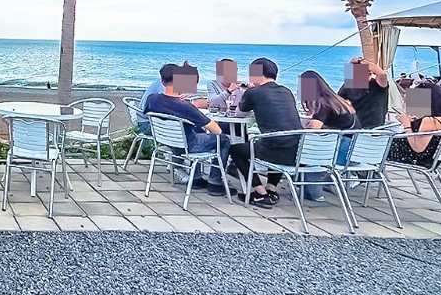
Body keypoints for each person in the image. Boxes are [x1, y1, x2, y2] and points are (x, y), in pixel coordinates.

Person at [142, 63, 231, 197]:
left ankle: (197, 178)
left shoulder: (152, 99)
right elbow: (217, 130)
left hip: (168, 142)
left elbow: (164, 107)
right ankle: (215, 182)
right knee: (224, 139)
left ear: (162, 81)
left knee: (197, 129)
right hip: (187, 145)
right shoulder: (185, 107)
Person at [227, 58, 303, 207]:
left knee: (236, 150)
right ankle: (271, 189)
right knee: (277, 138)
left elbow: (239, 114)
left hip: (274, 148)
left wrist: (248, 93)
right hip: (297, 150)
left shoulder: (253, 92)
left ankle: (260, 193)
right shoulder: (286, 91)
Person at [301, 69, 358, 202]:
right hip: (355, 151)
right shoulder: (337, 101)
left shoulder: (323, 104)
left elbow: (312, 130)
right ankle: (319, 184)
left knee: (304, 150)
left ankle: (311, 191)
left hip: (340, 154)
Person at [389, 82, 441, 168]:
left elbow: (417, 148)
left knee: (377, 145)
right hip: (430, 159)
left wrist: (406, 124)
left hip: (413, 157)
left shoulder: (430, 121)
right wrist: (415, 122)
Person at [338, 58, 389, 129]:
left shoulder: (378, 84)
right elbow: (338, 102)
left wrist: (361, 61)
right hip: (356, 126)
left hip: (375, 128)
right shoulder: (348, 85)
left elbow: (382, 74)